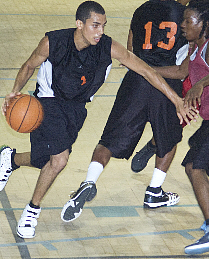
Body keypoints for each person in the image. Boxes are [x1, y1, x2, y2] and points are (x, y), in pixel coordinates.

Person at [0, 1, 195, 238]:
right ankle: (32, 210)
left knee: (45, 160)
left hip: (76, 109)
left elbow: (147, 71)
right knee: (59, 160)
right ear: (79, 24)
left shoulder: (108, 47)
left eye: (103, 25)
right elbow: (29, 65)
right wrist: (14, 91)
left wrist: (175, 99)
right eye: (95, 25)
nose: (100, 31)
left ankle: (10, 159)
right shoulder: (53, 42)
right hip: (47, 103)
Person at [60, 0, 198, 222]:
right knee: (169, 138)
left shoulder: (141, 9)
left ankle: (90, 180)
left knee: (108, 140)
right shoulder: (186, 16)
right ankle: (154, 192)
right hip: (167, 84)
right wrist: (154, 73)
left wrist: (144, 70)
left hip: (134, 83)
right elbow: (183, 70)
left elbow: (131, 51)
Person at [131, 0, 209, 222]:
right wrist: (143, 69)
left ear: (203, 24)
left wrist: (200, 84)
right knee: (199, 145)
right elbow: (178, 71)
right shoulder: (196, 47)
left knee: (194, 165)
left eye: (187, 20)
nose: (182, 24)